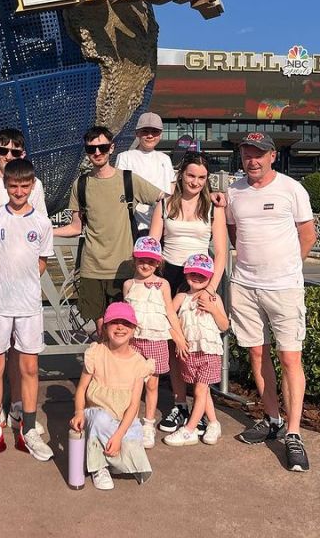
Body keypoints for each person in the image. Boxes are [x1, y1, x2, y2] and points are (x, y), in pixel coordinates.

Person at [226, 132, 316, 472]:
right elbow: (235, 235)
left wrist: (289, 267)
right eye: (247, 154)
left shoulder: (292, 189)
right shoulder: (234, 192)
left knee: (290, 358)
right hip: (246, 286)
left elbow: (307, 235)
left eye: (259, 154)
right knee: (257, 353)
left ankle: (293, 434)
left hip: (284, 287)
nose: (252, 160)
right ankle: (273, 418)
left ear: (272, 156)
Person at [0, 159, 55, 464]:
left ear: (32, 186)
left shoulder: (42, 223)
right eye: (13, 186)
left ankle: (28, 428)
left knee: (29, 369)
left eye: (24, 186)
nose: (19, 191)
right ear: (6, 186)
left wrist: (22, 285)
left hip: (28, 306)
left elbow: (41, 262)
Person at [54, 126, 164, 335]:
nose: (97, 153)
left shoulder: (127, 179)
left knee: (122, 329)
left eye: (102, 147)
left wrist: (153, 238)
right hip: (92, 268)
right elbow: (76, 227)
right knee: (102, 331)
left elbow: (163, 199)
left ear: (111, 148)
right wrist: (45, 232)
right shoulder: (81, 184)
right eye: (91, 148)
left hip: (123, 268)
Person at [148, 151, 227, 433]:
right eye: (191, 175)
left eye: (202, 177)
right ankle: (180, 404)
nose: (195, 182)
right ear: (182, 174)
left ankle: (201, 408)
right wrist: (152, 279)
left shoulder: (213, 207)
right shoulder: (166, 202)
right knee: (174, 342)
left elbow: (220, 252)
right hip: (169, 274)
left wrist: (211, 290)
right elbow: (153, 242)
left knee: (199, 344)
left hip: (199, 279)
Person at [70, 302, 154, 490]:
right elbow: (82, 388)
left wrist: (118, 436)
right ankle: (99, 467)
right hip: (97, 413)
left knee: (133, 436)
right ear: (105, 327)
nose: (120, 327)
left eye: (126, 323)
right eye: (114, 322)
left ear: (133, 329)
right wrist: (78, 412)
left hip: (122, 417)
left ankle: (112, 457)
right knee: (100, 420)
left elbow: (133, 406)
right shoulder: (96, 353)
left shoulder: (138, 363)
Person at [122, 236, 187, 449]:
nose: (145, 265)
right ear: (134, 260)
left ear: (158, 263)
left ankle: (148, 424)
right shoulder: (128, 284)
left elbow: (169, 310)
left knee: (152, 383)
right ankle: (129, 421)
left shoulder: (163, 284)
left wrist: (178, 336)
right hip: (134, 341)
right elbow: (126, 315)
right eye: (141, 260)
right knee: (132, 383)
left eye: (150, 261)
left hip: (156, 340)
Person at [163, 253, 229, 447]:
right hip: (190, 351)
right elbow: (166, 316)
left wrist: (213, 309)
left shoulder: (213, 298)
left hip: (209, 351)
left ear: (210, 277)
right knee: (203, 390)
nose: (198, 278)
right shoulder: (182, 297)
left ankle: (189, 429)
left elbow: (224, 325)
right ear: (186, 274)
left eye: (203, 275)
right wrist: (178, 338)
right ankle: (214, 423)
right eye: (193, 274)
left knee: (201, 389)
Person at [115, 112, 175, 233]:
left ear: (160, 135)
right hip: (134, 224)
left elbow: (171, 187)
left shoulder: (165, 159)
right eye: (145, 131)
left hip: (162, 223)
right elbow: (118, 188)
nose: (150, 135)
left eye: (155, 132)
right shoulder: (125, 157)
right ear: (137, 133)